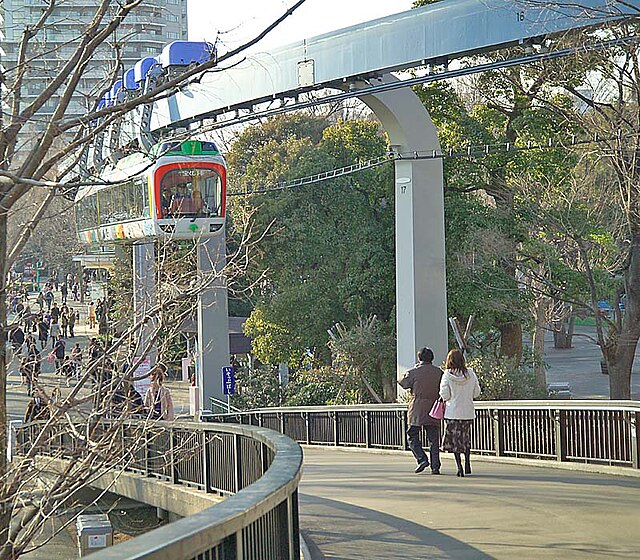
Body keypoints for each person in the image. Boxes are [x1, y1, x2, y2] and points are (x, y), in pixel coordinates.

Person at [398, 347, 443, 474]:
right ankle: (435, 467)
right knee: (434, 439)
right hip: (433, 408)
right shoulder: (439, 372)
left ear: (419, 358)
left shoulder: (414, 372)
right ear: (432, 358)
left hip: (417, 408)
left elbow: (402, 382)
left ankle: (421, 458)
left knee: (412, 435)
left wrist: (412, 370)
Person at [439, 349, 481, 477]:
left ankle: (459, 467)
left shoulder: (447, 375)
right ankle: (467, 462)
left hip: (452, 413)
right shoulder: (471, 374)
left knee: (455, 441)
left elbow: (445, 395)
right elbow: (476, 393)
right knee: (465, 438)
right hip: (468, 412)